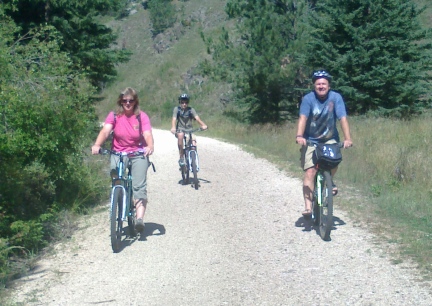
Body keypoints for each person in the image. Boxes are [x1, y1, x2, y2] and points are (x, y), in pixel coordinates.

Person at [91, 87, 154, 232]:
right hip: (118, 153)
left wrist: (150, 146)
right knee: (115, 175)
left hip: (138, 154)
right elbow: (106, 130)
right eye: (124, 100)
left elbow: (147, 133)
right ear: (120, 101)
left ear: (135, 102)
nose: (127, 103)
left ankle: (139, 219)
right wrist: (97, 145)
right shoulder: (114, 116)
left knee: (139, 186)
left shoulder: (141, 116)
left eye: (131, 100)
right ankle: (119, 195)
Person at [295, 70, 353, 216]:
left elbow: (342, 118)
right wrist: (299, 135)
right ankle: (308, 207)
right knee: (310, 171)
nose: (321, 86)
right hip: (311, 140)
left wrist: (347, 138)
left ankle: (329, 181)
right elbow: (303, 118)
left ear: (329, 85)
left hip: (330, 138)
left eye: (324, 84)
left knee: (333, 162)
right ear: (314, 85)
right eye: (318, 84)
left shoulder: (336, 97)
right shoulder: (308, 99)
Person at [170, 93, 207, 166]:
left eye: (186, 102)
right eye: (182, 102)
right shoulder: (177, 109)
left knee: (193, 143)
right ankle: (181, 157)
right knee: (180, 136)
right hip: (180, 129)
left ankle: (193, 159)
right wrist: (173, 127)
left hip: (190, 130)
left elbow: (197, 118)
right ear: (180, 102)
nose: (184, 104)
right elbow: (174, 119)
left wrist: (203, 125)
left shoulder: (191, 110)